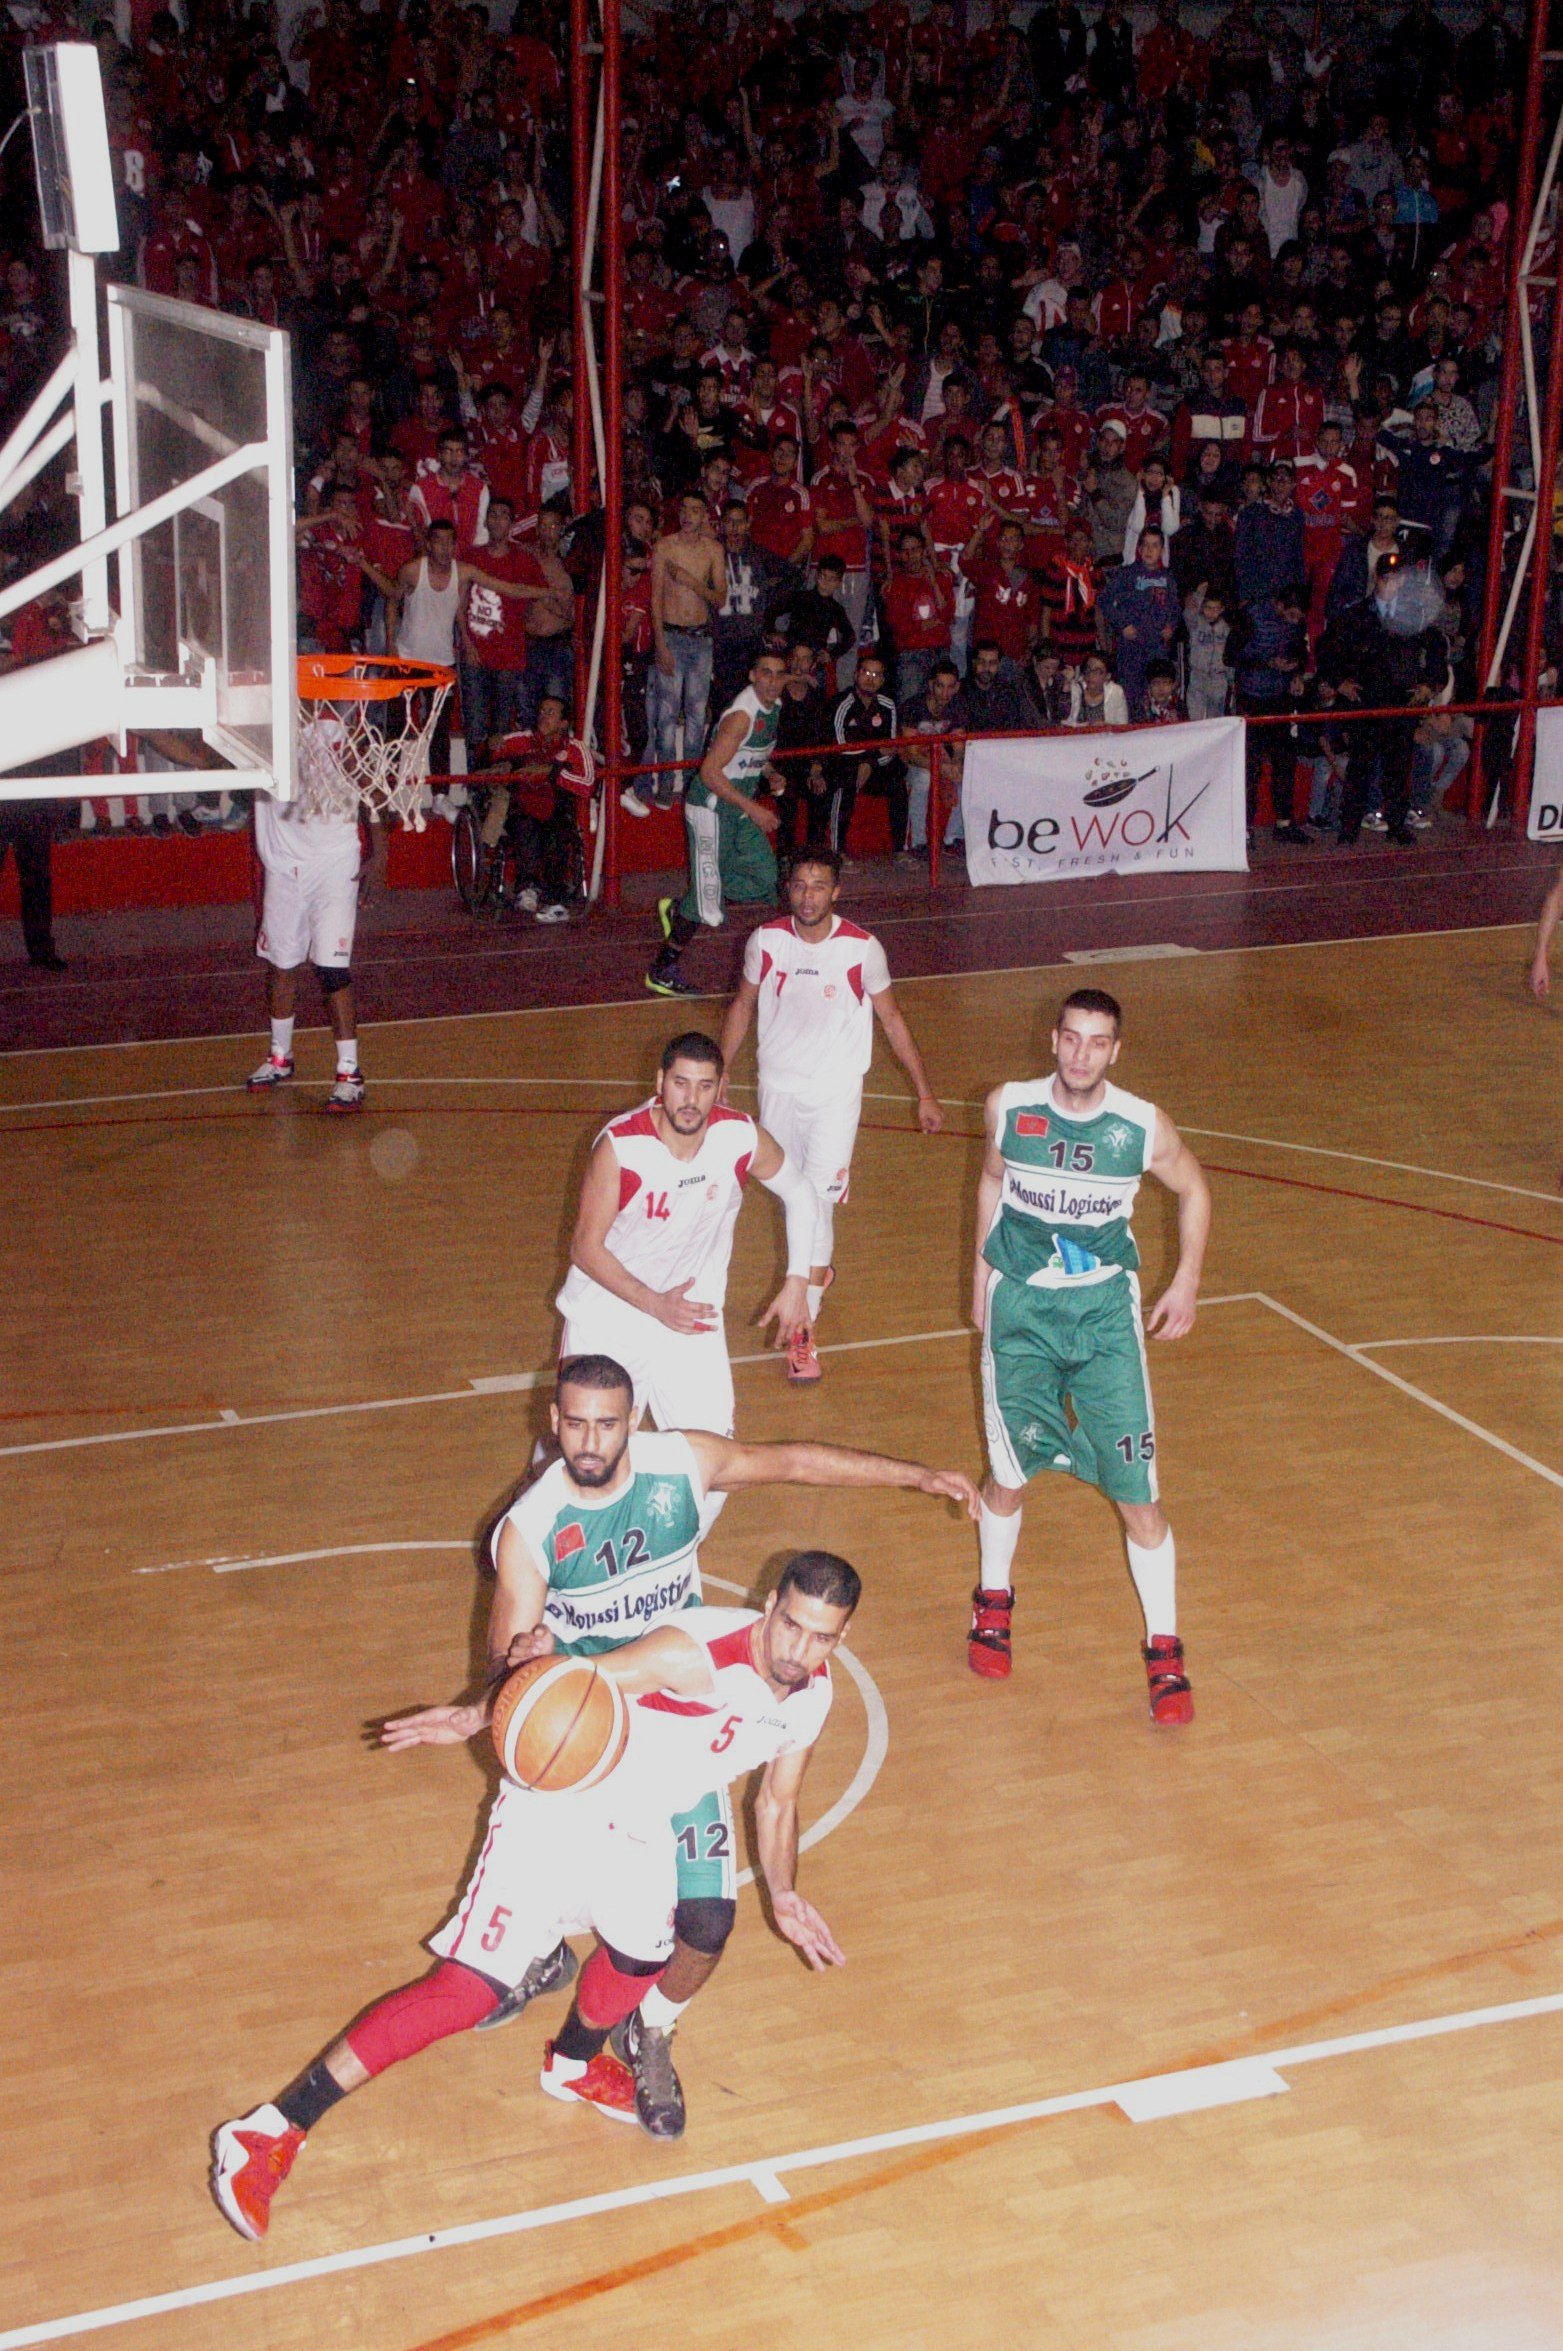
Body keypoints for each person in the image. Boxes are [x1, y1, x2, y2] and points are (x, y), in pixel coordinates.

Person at [212, 1552, 870, 2236]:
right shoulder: (693, 1654)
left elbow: (777, 1800)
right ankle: (269, 2128)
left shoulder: (813, 1692)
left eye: (819, 1636)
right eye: (789, 1625)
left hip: (640, 1822)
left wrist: (785, 1890)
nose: (798, 1648)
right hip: (559, 1801)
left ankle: (572, 2065)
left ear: (840, 1637)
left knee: (641, 1955)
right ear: (768, 1607)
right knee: (468, 1990)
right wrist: (472, 1717)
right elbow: (567, 1679)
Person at [470, 1359, 978, 2095]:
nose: (590, 1436)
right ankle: (544, 1949)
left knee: (705, 1922)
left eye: (606, 1422)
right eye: (576, 1422)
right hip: (596, 1704)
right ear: (552, 1422)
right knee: (556, 1850)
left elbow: (795, 1460)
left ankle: (652, 2028)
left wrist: (916, 1476)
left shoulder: (679, 1465)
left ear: (633, 1420)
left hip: (686, 1704)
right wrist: (515, 1677)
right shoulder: (536, 1524)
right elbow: (503, 1664)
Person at [966, 988, 1212, 1723]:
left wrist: (1187, 1279)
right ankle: (992, 1600)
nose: (1080, 1053)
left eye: (1096, 1041)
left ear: (1116, 1049)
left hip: (1104, 1313)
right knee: (1009, 1473)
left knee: (1137, 1492)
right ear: (1052, 1039)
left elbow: (1194, 1188)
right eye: (1070, 1038)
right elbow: (989, 1181)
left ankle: (1164, 1648)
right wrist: (979, 1279)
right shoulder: (1009, 1107)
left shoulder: (1139, 1125)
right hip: (1020, 1312)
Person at [718, 849, 942, 1380]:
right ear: (787, 891)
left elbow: (892, 1020)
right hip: (777, 1091)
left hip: (835, 1096)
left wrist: (924, 1092)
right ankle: (817, 1275)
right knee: (793, 1200)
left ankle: (804, 1332)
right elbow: (743, 1005)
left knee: (816, 1205)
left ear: (835, 892)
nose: (808, 895)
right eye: (799, 885)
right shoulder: (766, 942)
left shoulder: (862, 950)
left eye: (819, 886)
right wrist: (719, 1067)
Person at [554, 1028, 817, 1446]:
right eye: (680, 1084)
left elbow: (801, 1192)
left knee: (714, 1465)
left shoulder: (739, 1137)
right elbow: (585, 1249)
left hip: (692, 1322)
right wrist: (656, 1304)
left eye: (705, 1086)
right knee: (582, 1460)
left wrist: (798, 1280)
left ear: (721, 1088)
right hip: (610, 1320)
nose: (691, 1100)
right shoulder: (623, 1147)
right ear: (660, 1084)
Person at [244, 702, 386, 1113]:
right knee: (281, 964)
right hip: (283, 868)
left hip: (333, 864)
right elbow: (202, 756)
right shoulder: (261, 731)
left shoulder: (338, 733)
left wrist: (381, 854)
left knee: (331, 968)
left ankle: (349, 1073)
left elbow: (372, 791)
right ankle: (280, 1057)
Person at [647, 650, 786, 998]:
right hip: (712, 805)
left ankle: (683, 907)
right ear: (753, 675)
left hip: (737, 804)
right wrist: (753, 808)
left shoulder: (775, 708)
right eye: (765, 673)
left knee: (765, 877)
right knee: (707, 903)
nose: (771, 681)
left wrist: (769, 773)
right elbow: (709, 772)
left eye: (778, 674)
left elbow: (752, 755)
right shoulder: (741, 716)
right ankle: (662, 969)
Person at [642, 491, 727, 812]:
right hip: (673, 635)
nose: (689, 515)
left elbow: (720, 598)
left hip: (701, 638)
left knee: (695, 715)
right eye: (685, 509)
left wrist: (692, 582)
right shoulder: (665, 547)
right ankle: (665, 781)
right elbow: (655, 599)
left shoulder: (713, 550)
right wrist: (660, 643)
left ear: (705, 515)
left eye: (695, 510)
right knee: (665, 715)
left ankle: (691, 782)